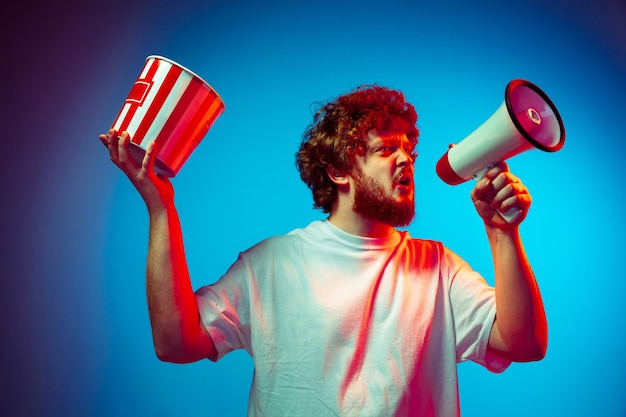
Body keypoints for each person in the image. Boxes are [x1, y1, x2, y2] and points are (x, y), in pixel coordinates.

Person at [100, 85, 547, 417]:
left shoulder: (438, 267)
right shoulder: (270, 263)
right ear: (338, 172)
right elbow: (175, 343)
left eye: (408, 149)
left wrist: (501, 233)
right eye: (385, 149)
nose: (406, 159)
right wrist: (161, 211)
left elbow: (523, 343)